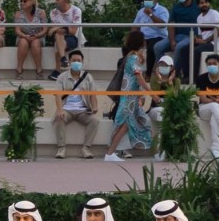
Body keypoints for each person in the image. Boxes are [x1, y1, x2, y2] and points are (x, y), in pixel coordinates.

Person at [101, 31, 154, 163]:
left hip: (132, 98)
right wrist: (151, 93)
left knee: (129, 124)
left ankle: (111, 152)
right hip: (129, 97)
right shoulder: (133, 58)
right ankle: (110, 153)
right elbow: (139, 77)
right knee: (123, 124)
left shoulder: (132, 57)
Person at [52, 48, 99, 159]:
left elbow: (93, 95)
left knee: (94, 121)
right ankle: (61, 148)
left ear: (82, 62)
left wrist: (95, 107)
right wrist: (60, 110)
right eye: (74, 60)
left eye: (79, 60)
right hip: (66, 109)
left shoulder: (88, 77)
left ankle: (86, 148)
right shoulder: (62, 77)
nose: (76, 62)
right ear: (69, 62)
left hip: (83, 109)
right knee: (59, 118)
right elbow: (57, 95)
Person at [11, 0, 47, 79]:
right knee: (23, 42)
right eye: (21, 1)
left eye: (25, 1)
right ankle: (19, 69)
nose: (22, 3)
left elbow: (45, 29)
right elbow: (17, 30)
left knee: (35, 43)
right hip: (23, 35)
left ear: (32, 2)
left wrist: (37, 35)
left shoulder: (41, 12)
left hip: (38, 36)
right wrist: (25, 36)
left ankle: (39, 70)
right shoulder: (18, 14)